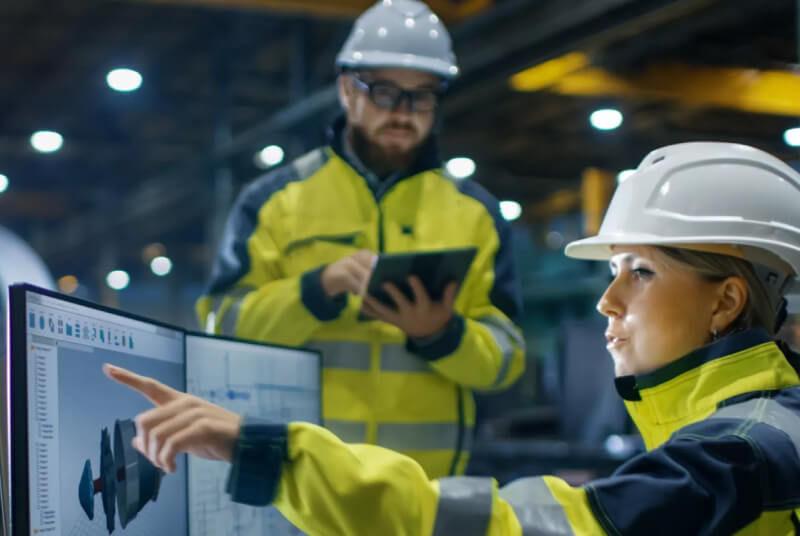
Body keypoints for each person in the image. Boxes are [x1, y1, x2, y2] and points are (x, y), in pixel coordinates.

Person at [109, 141, 800, 535]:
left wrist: (270, 452)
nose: (607, 298)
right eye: (615, 269)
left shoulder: (741, 451)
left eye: (641, 271)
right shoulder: (748, 428)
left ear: (728, 301)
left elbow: (535, 526)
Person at [195, 0, 525, 478]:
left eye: (424, 95)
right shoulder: (274, 201)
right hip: (300, 485)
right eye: (386, 92)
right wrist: (316, 290)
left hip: (423, 494)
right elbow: (220, 328)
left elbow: (507, 361)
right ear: (347, 90)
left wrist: (442, 333)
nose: (405, 112)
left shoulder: (476, 214)